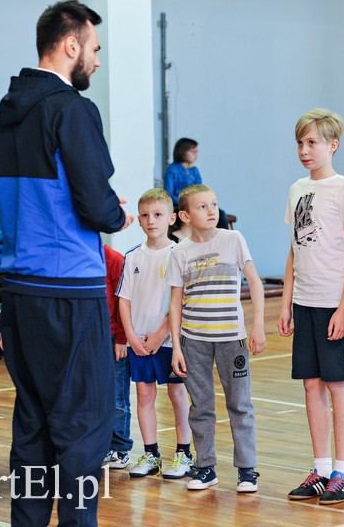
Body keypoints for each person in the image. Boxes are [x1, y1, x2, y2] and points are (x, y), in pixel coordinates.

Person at [0, 0, 132, 524]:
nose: (96, 59)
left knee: (34, 426)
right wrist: (117, 214)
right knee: (84, 427)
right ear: (70, 45)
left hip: (19, 296)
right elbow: (97, 204)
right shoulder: (71, 110)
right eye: (94, 49)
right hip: (70, 294)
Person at [279, 108, 344, 505]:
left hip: (334, 302)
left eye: (312, 142)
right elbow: (294, 249)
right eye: (300, 142)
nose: (304, 150)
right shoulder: (296, 188)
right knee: (311, 385)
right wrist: (285, 302)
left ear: (332, 145)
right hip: (305, 302)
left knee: (337, 384)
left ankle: (343, 472)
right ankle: (321, 467)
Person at [166, 183, 266, 492]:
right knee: (201, 406)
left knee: (240, 404)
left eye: (214, 204)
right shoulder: (179, 252)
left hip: (231, 339)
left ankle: (247, 470)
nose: (212, 211)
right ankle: (205, 467)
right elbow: (174, 302)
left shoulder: (233, 239)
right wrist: (175, 348)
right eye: (202, 206)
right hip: (193, 340)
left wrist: (258, 325)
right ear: (184, 215)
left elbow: (255, 282)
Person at [116, 188, 193, 480]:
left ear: (172, 218)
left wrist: (162, 334)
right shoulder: (133, 256)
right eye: (146, 215)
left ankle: (184, 454)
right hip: (140, 342)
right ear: (139, 220)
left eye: (158, 215)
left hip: (171, 342)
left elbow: (183, 299)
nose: (151, 221)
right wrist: (132, 337)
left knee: (177, 394)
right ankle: (151, 454)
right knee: (144, 394)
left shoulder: (180, 253)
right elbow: (123, 299)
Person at [102, 244, 132, 469]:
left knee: (117, 395)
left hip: (113, 337)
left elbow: (124, 300)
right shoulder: (78, 257)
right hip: (88, 336)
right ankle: (101, 446)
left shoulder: (114, 258)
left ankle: (120, 448)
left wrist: (122, 337)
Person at [164, 137, 229, 229]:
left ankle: (221, 239)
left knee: (221, 214)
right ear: (183, 152)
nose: (196, 154)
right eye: (193, 152)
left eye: (197, 152)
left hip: (197, 204)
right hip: (179, 206)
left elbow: (200, 190)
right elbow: (169, 194)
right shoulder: (172, 170)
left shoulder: (194, 169)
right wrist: (186, 202)